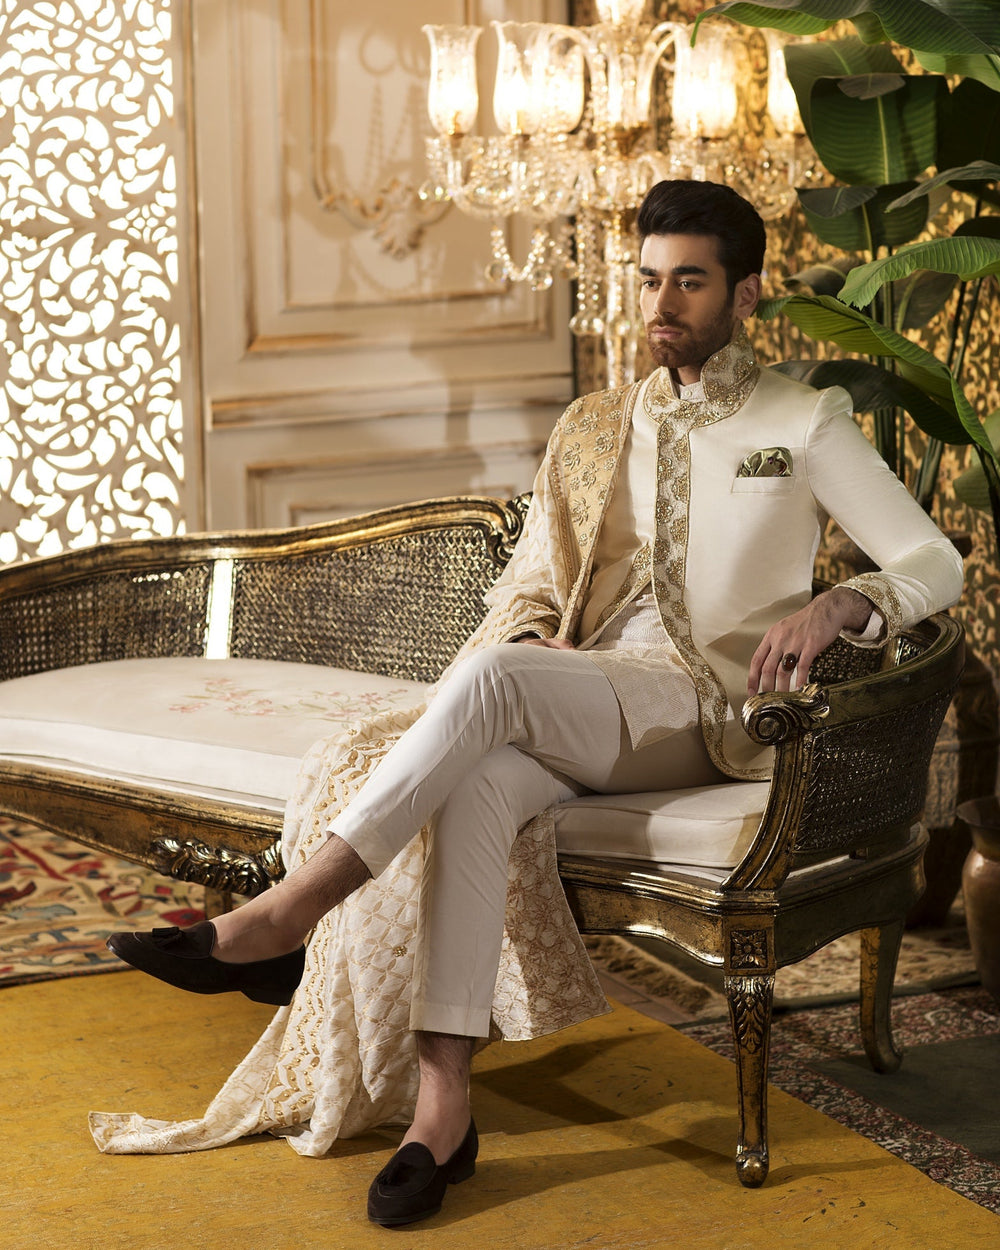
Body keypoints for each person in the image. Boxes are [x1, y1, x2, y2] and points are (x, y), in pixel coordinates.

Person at [94, 180, 964, 1226]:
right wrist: (532, 633)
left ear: (746, 293)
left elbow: (931, 559)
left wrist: (841, 602)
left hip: (712, 713)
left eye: (689, 280)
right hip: (593, 694)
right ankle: (441, 1112)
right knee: (480, 785)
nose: (662, 303)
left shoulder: (801, 419)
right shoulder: (603, 424)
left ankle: (294, 902)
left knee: (500, 691)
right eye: (648, 279)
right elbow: (530, 588)